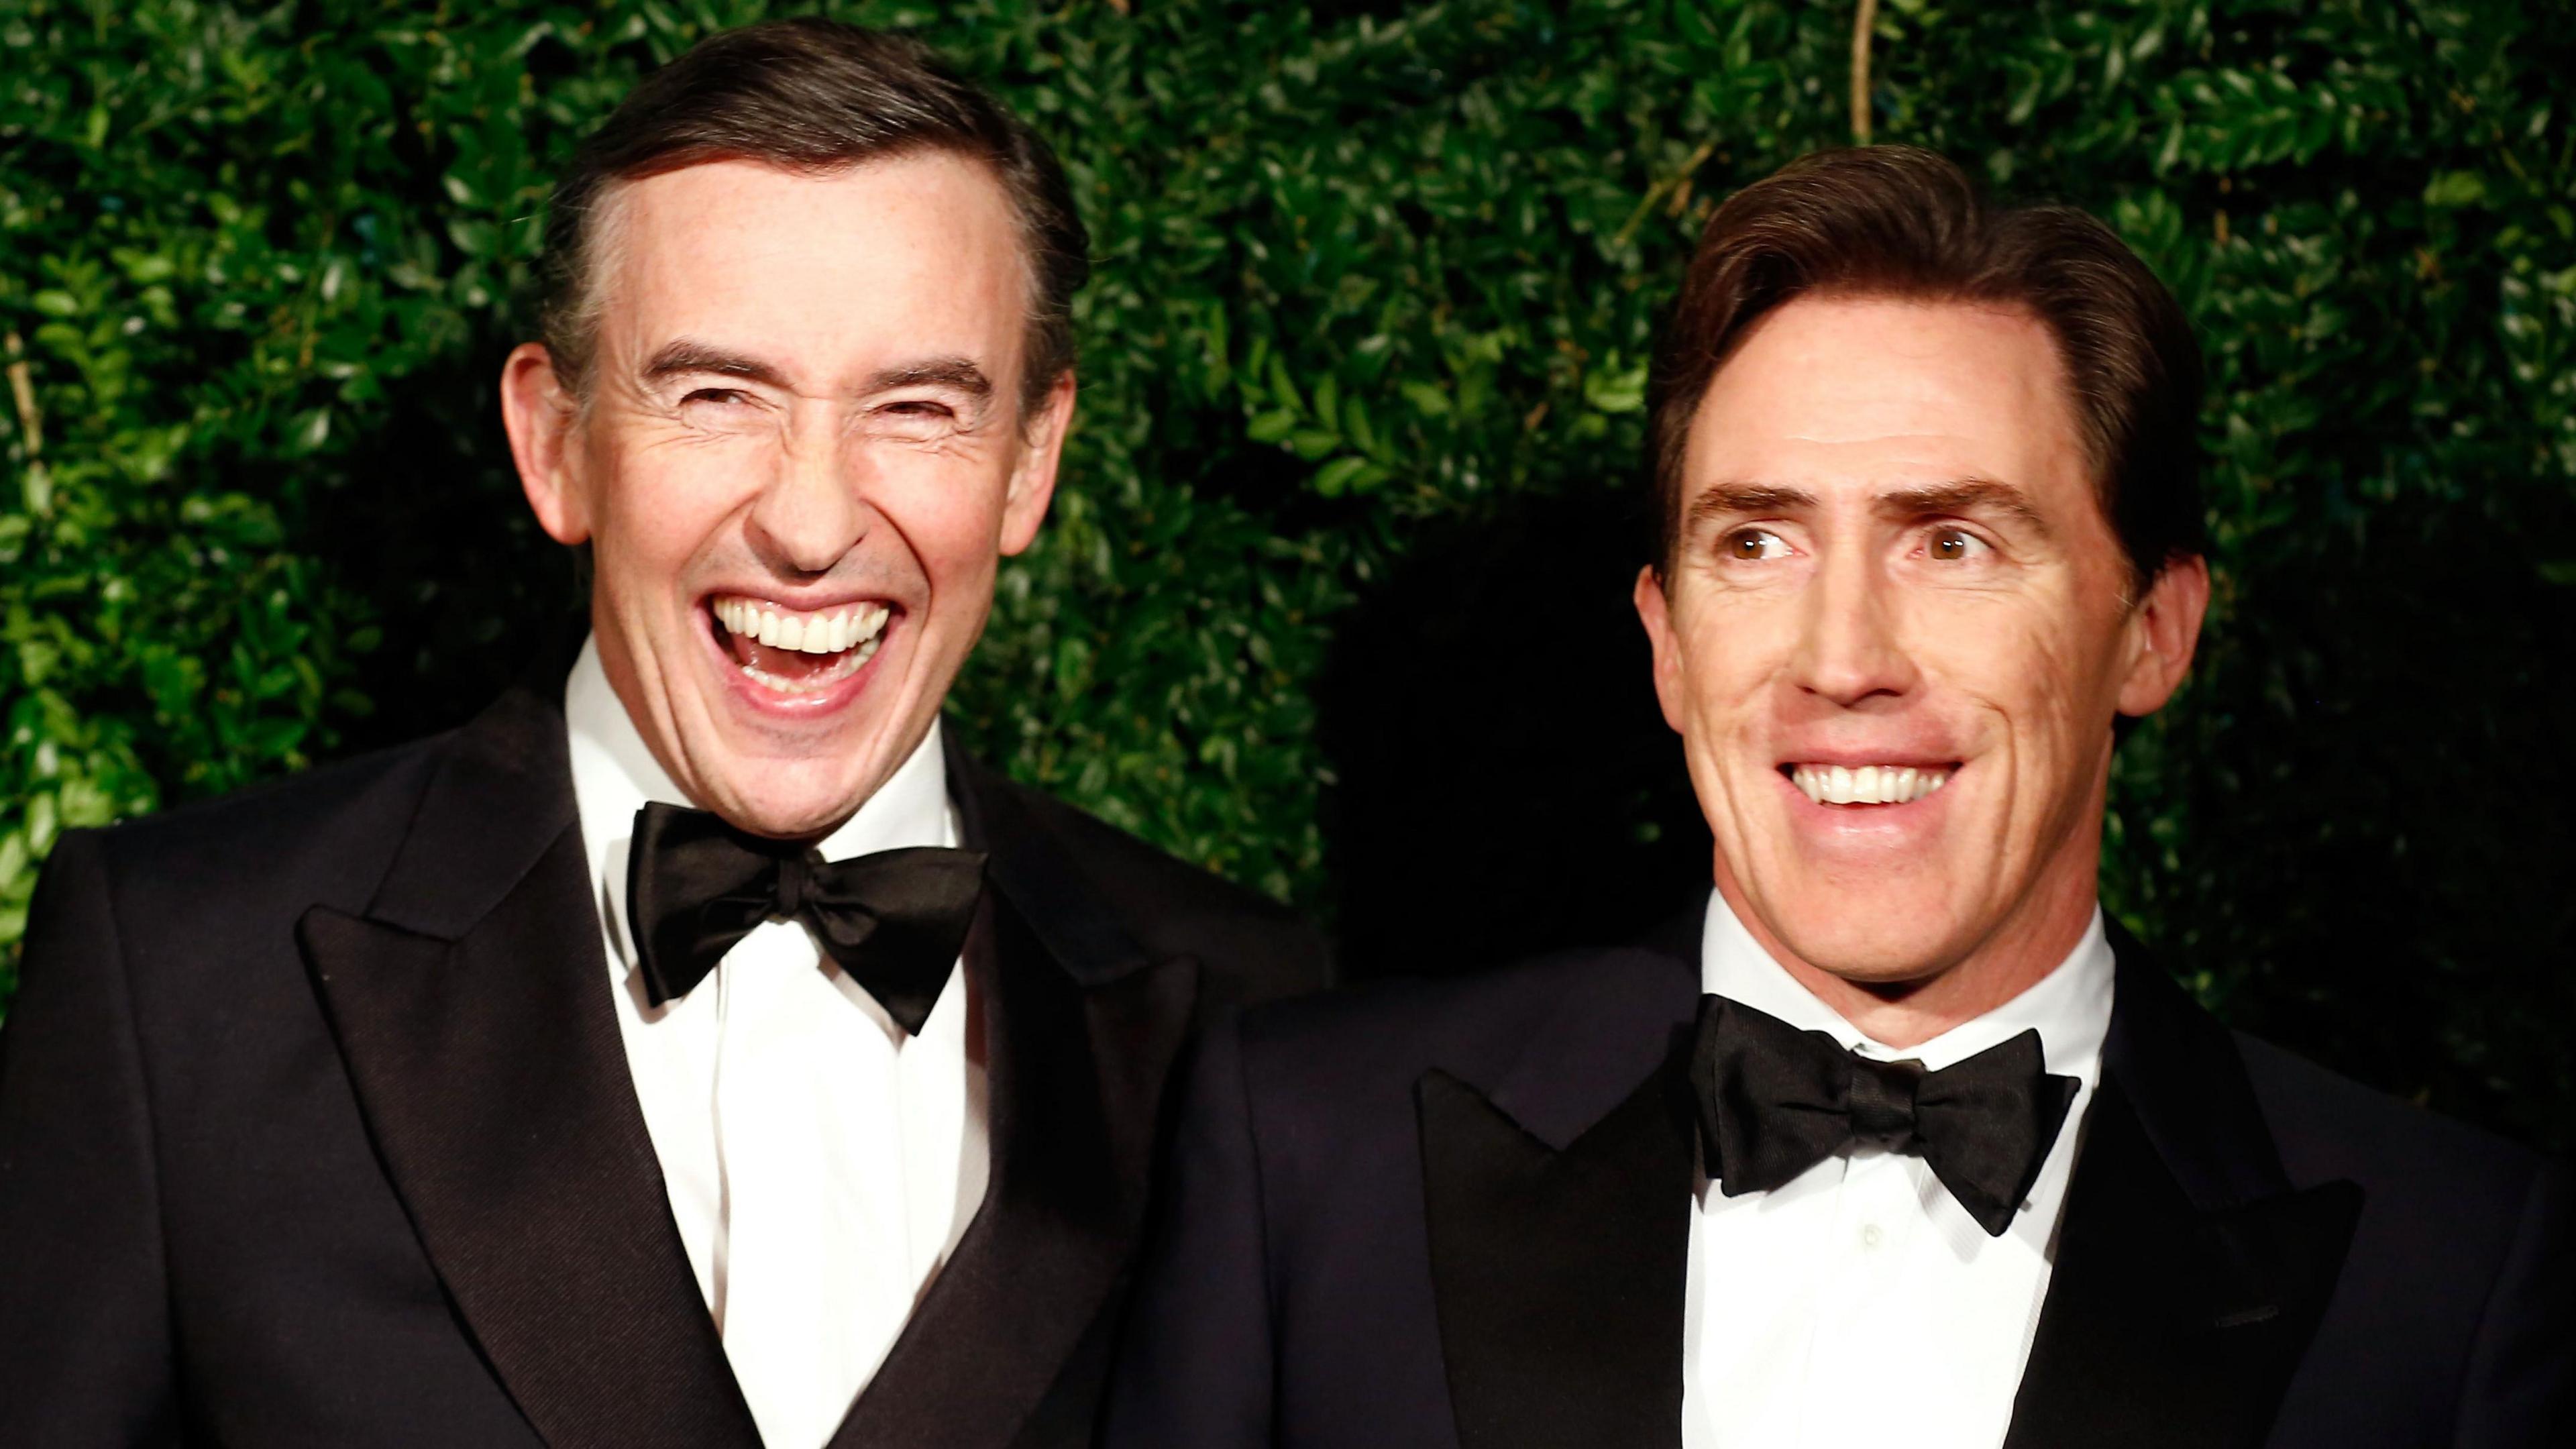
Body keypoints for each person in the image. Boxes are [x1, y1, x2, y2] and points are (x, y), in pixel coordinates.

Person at [1102, 146, 2571, 1448]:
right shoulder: (1306, 1156)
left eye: (1953, 544)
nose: (1845, 659)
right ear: (1667, 642)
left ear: (2153, 630)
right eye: (1757, 545)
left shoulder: (2446, 1271)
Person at [0, 19, 1327, 1449]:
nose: (811, 525)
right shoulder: (182, 982)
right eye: (715, 396)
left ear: (1029, 462)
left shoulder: (1258, 1020)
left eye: (918, 407)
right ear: (556, 440)